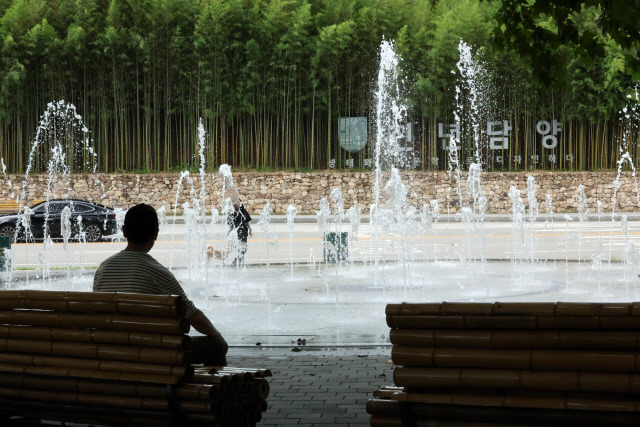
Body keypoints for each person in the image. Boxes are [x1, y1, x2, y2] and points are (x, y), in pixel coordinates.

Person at [93, 203, 227, 366]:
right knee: (216, 345)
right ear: (155, 234)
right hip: (152, 354)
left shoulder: (103, 268)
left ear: (124, 231)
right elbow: (193, 315)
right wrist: (217, 335)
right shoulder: (157, 272)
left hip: (110, 352)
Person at [227, 196, 252, 266]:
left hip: (244, 232)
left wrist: (250, 230)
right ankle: (237, 260)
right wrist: (229, 231)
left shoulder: (243, 212)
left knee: (244, 247)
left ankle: (239, 259)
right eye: (234, 204)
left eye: (237, 204)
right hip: (237, 233)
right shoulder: (232, 213)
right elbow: (230, 224)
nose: (235, 205)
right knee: (238, 247)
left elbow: (247, 221)